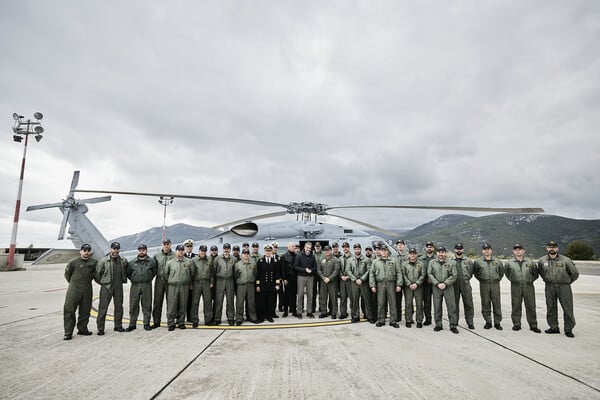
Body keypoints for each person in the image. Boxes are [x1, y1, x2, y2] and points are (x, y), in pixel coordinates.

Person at [538, 240, 579, 338]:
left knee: (567, 308)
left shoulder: (566, 260)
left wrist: (567, 282)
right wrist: (547, 280)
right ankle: (554, 327)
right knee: (551, 307)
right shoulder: (542, 260)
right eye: (550, 247)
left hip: (563, 286)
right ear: (547, 248)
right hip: (549, 286)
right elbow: (541, 272)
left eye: (554, 247)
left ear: (557, 248)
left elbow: (575, 273)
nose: (552, 249)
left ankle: (568, 329)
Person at [63, 244, 97, 340]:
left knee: (85, 310)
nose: (86, 252)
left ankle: (82, 329)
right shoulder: (73, 262)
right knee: (69, 309)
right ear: (80, 251)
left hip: (87, 287)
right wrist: (73, 283)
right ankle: (68, 332)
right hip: (74, 287)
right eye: (84, 250)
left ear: (90, 252)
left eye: (88, 250)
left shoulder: (93, 262)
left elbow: (96, 274)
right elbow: (67, 274)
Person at [504, 244, 541, 333]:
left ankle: (533, 325)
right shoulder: (509, 263)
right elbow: (507, 274)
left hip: (528, 286)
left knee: (531, 306)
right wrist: (514, 280)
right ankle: (516, 324)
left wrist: (529, 280)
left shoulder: (530, 262)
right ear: (513, 251)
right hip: (515, 286)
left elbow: (535, 274)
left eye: (520, 249)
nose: (518, 251)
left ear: (524, 251)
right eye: (516, 249)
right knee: (516, 305)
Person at [95, 241, 128, 335]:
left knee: (119, 307)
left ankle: (118, 326)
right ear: (111, 249)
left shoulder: (122, 260)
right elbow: (97, 275)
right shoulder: (103, 261)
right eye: (114, 248)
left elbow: (126, 269)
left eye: (117, 249)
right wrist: (103, 282)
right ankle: (100, 328)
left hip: (118, 286)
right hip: (106, 287)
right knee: (103, 308)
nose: (116, 250)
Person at [428, 246, 459, 333]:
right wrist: (437, 283)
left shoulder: (451, 262)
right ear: (436, 253)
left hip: (448, 287)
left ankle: (453, 325)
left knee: (451, 306)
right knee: (437, 306)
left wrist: (445, 283)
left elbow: (454, 275)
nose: (441, 254)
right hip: (436, 287)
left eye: (442, 252)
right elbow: (429, 274)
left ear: (445, 253)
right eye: (439, 252)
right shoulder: (432, 262)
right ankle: (438, 324)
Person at [474, 243, 505, 330]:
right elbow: (476, 273)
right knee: (485, 303)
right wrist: (482, 279)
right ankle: (488, 322)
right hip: (484, 284)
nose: (486, 250)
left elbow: (501, 272)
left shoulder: (497, 261)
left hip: (495, 284)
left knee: (496, 303)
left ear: (491, 250)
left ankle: (497, 322)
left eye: (488, 249)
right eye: (485, 249)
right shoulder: (478, 261)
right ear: (482, 251)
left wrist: (496, 279)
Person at [369, 246, 402, 328]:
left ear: (387, 252)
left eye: (385, 250)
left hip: (391, 283)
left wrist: (399, 284)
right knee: (381, 302)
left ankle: (393, 320)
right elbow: (371, 274)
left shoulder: (394, 261)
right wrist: (372, 285)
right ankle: (381, 320)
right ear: (380, 252)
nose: (383, 252)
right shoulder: (375, 262)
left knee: (393, 302)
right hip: (380, 284)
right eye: (382, 250)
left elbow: (398, 273)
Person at [126, 244, 157, 331]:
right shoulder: (132, 262)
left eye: (143, 250)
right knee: (133, 305)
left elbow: (154, 271)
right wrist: (134, 279)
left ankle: (146, 323)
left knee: (147, 305)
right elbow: (128, 272)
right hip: (135, 285)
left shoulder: (151, 261)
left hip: (147, 285)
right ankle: (132, 324)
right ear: (138, 251)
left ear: (146, 251)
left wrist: (148, 278)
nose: (141, 251)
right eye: (140, 250)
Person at [165, 244, 193, 331]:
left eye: (182, 250)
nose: (180, 251)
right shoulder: (170, 262)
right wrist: (173, 280)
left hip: (184, 286)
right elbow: (166, 274)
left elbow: (192, 273)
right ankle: (171, 323)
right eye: (179, 250)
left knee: (183, 304)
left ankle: (181, 322)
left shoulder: (188, 262)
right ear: (176, 251)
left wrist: (186, 280)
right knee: (172, 305)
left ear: (184, 251)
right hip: (173, 286)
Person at [346, 243, 373, 323]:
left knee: (367, 300)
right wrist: (355, 279)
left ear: (360, 249)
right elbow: (348, 271)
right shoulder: (350, 260)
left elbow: (369, 271)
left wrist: (361, 279)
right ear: (354, 250)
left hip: (363, 283)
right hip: (354, 283)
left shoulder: (366, 260)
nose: (357, 250)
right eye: (355, 249)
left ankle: (368, 315)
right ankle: (355, 316)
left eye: (358, 249)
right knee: (354, 300)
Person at [256, 244, 281, 323]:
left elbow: (277, 274)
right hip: (263, 285)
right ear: (264, 251)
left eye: (269, 251)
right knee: (262, 302)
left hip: (271, 285)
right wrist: (258, 285)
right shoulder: (260, 261)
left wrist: (277, 284)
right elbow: (258, 274)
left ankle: (269, 316)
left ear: (271, 252)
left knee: (271, 301)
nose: (268, 253)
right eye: (266, 251)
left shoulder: (275, 261)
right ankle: (262, 316)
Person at [452, 243, 475, 329]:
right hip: (454, 284)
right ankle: (454, 322)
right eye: (457, 248)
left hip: (465, 284)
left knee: (468, 303)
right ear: (455, 250)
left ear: (463, 250)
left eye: (460, 248)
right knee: (454, 305)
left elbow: (471, 272)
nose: (459, 250)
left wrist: (466, 278)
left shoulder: (468, 261)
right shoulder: (451, 260)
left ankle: (470, 322)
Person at [190, 244, 214, 327]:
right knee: (195, 302)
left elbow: (212, 272)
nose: (203, 252)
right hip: (197, 283)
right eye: (202, 251)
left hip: (206, 283)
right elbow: (191, 273)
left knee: (207, 302)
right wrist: (191, 283)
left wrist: (211, 281)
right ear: (199, 251)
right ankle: (195, 320)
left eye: (204, 251)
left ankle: (208, 320)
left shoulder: (209, 259)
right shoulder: (194, 260)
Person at [152, 238, 173, 329]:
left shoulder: (175, 255)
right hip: (159, 280)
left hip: (170, 281)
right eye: (164, 244)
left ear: (170, 245)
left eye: (167, 244)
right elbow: (152, 269)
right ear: (162, 245)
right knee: (157, 302)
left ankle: (171, 322)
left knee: (171, 302)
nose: (166, 246)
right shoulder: (157, 256)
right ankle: (156, 322)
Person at [402, 248, 426, 328]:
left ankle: (419, 320)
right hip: (408, 287)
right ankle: (408, 320)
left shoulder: (421, 264)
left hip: (418, 287)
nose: (412, 255)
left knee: (419, 304)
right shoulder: (404, 264)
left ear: (416, 254)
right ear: (409, 254)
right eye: (411, 254)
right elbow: (403, 275)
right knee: (408, 304)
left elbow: (423, 275)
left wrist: (417, 284)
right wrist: (409, 284)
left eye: (414, 254)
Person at [213, 243, 236, 325]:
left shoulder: (233, 259)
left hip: (230, 280)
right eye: (225, 248)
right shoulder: (218, 258)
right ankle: (217, 318)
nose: (226, 250)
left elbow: (235, 271)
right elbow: (214, 271)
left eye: (228, 248)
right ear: (223, 249)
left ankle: (230, 318)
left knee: (230, 300)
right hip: (220, 280)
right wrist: (213, 282)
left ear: (230, 249)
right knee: (219, 300)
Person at [234, 248, 258, 325]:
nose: (246, 255)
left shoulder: (253, 263)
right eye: (244, 253)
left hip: (250, 285)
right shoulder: (238, 264)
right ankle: (239, 318)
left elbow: (255, 273)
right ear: (242, 254)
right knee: (240, 303)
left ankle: (252, 317)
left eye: (247, 253)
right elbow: (236, 275)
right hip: (241, 285)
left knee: (251, 302)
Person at [294, 241, 317, 318]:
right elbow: (295, 266)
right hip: (301, 277)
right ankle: (299, 312)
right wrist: (304, 269)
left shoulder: (312, 256)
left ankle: (309, 312)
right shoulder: (299, 255)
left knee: (310, 295)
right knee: (300, 295)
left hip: (310, 277)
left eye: (310, 248)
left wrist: (311, 270)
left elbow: (315, 267)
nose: (308, 249)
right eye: (307, 247)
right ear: (304, 247)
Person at [317, 245, 340, 319]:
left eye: (328, 250)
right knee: (323, 297)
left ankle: (334, 313)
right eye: (326, 250)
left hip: (332, 282)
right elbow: (319, 270)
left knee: (333, 298)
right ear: (324, 251)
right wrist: (323, 278)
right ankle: (324, 312)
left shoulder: (335, 259)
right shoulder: (321, 259)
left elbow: (336, 270)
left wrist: (329, 278)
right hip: (323, 281)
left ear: (331, 251)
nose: (327, 251)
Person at [419, 241, 436, 326]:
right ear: (425, 248)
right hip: (425, 283)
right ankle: (428, 319)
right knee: (427, 302)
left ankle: (438, 320)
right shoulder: (421, 259)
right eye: (428, 247)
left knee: (437, 302)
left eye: (431, 247)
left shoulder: (437, 258)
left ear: (433, 248)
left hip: (436, 283)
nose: (429, 248)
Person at [281, 242, 297, 317]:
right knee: (286, 295)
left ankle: (294, 310)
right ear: (288, 247)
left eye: (294, 246)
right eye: (292, 246)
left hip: (295, 278)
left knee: (294, 295)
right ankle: (286, 311)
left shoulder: (297, 256)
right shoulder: (284, 256)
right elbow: (282, 269)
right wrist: (284, 279)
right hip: (287, 278)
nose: (294, 247)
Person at [394, 239, 408, 322]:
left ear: (404, 245)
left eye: (401, 244)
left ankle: (408, 317)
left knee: (408, 300)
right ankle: (398, 316)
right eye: (398, 244)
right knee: (397, 300)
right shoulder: (393, 256)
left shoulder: (408, 255)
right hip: (397, 281)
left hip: (407, 281)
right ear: (396, 246)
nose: (400, 246)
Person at [339, 242, 353, 319]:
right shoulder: (340, 258)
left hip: (350, 280)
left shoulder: (353, 257)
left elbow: (354, 269)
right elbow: (339, 269)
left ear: (349, 248)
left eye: (346, 247)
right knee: (343, 297)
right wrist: (341, 276)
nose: (345, 248)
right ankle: (343, 313)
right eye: (344, 247)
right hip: (342, 280)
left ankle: (353, 312)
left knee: (352, 297)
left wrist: (348, 276)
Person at [311, 242, 325, 314]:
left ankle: (321, 307)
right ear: (314, 247)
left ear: (321, 247)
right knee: (313, 292)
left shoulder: (324, 254)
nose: (317, 247)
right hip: (313, 275)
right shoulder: (312, 254)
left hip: (321, 275)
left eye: (319, 246)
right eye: (316, 246)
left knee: (321, 292)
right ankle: (313, 307)